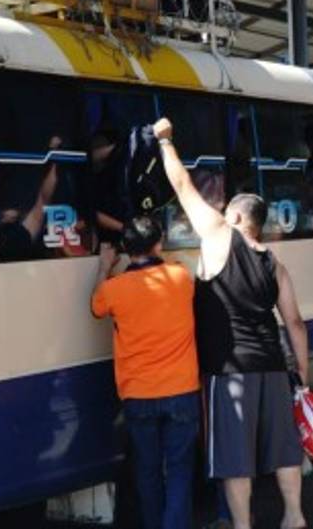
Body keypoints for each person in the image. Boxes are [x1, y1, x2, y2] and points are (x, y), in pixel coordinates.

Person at [153, 118, 309, 529]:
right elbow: (295, 323)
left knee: (234, 460)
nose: (220, 212)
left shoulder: (222, 235)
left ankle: (243, 526)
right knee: (284, 450)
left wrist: (166, 141)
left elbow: (184, 187)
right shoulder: (275, 264)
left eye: (227, 211)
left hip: (231, 371)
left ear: (238, 218)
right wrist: (303, 380)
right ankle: (294, 517)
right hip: (274, 368)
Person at [90, 217, 198, 529]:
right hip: (181, 391)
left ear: (124, 249)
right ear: (159, 244)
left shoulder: (113, 289)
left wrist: (104, 266)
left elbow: (95, 308)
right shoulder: (180, 278)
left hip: (138, 395)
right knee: (179, 470)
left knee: (147, 471)